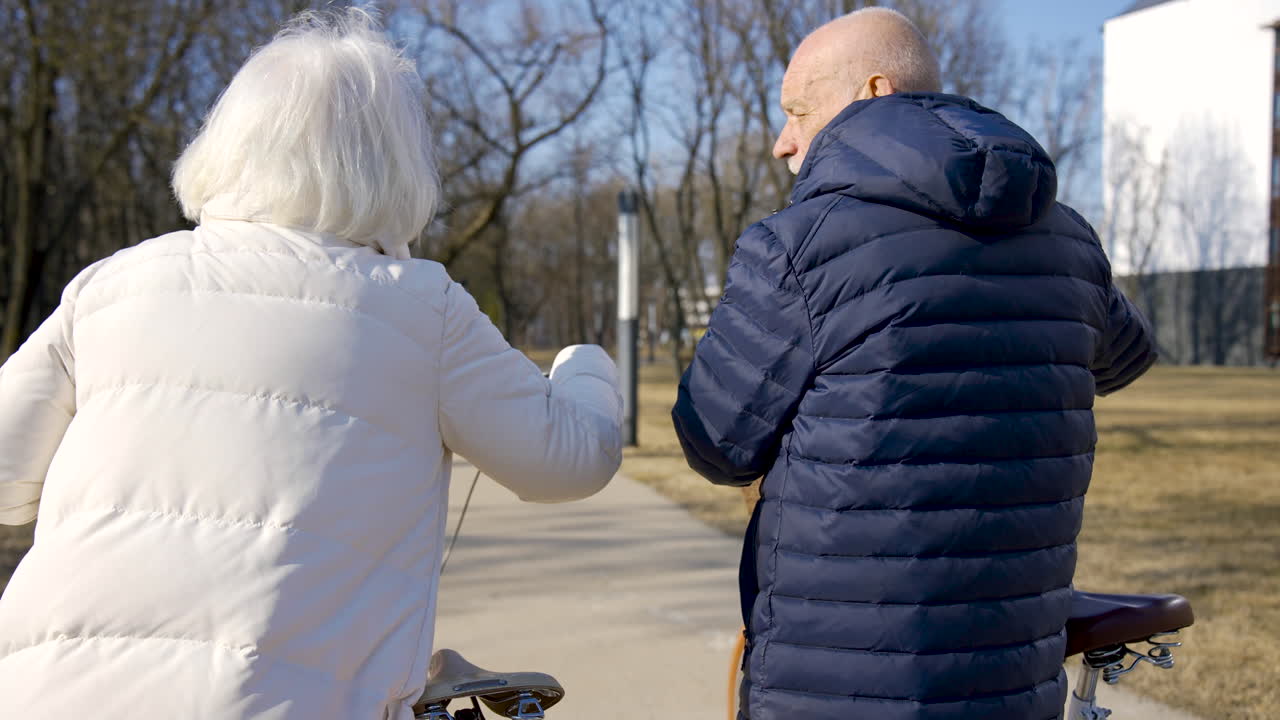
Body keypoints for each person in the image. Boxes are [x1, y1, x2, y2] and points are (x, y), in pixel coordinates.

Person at [0, 9, 622, 719]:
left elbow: (6, 478)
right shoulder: (417, 307)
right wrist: (585, 364)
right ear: (394, 164)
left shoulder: (110, 285)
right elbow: (571, 459)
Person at [671, 8, 1154, 720]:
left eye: (798, 112)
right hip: (1013, 678)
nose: (783, 143)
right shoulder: (1068, 235)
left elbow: (714, 441)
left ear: (872, 92)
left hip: (837, 685)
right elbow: (1121, 360)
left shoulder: (799, 246)